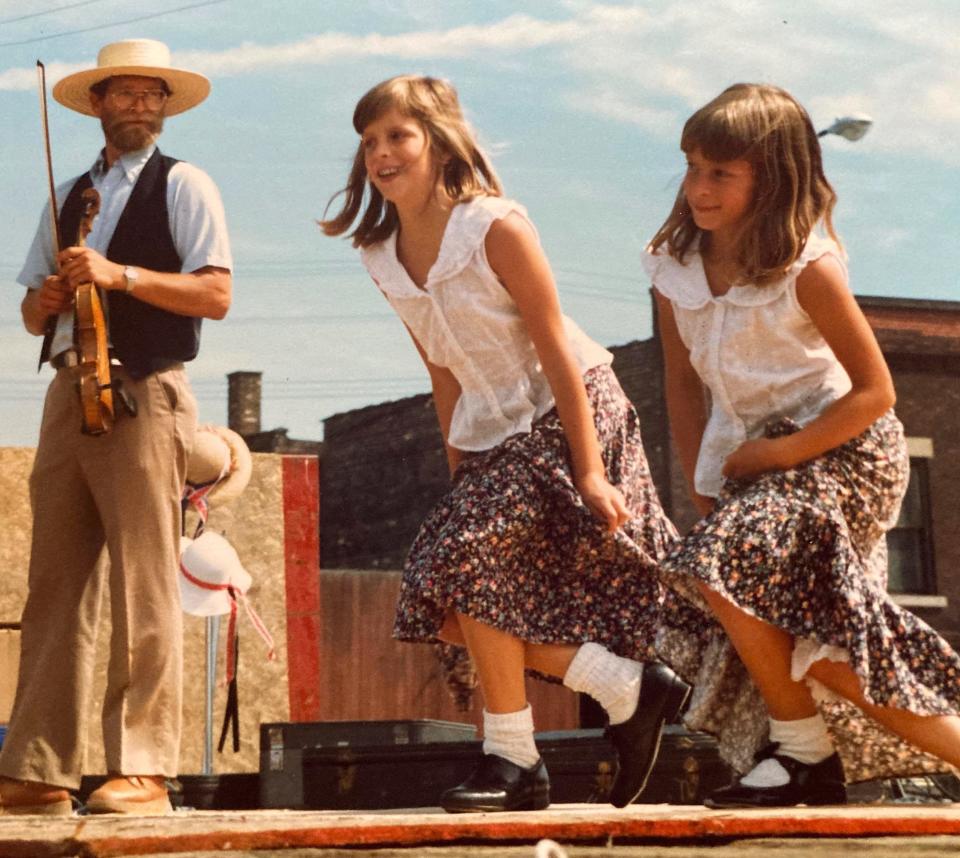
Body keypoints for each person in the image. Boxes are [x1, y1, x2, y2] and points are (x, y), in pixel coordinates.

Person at [322, 75, 689, 813]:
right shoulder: (382, 254)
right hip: (494, 438)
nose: (382, 153)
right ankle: (625, 687)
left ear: (438, 141)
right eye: (369, 142)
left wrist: (590, 469)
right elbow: (440, 365)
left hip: (569, 413)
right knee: (445, 604)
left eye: (398, 135)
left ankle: (514, 760)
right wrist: (462, 470)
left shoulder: (494, 225)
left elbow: (555, 345)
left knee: (463, 566)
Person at [645, 82, 960, 808]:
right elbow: (681, 385)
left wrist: (782, 455)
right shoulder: (674, 268)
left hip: (840, 448)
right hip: (758, 461)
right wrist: (701, 478)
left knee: (767, 593)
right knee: (752, 600)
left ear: (774, 175)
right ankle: (807, 756)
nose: (698, 187)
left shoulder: (807, 266)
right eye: (692, 166)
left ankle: (802, 753)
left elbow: (876, 391)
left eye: (720, 172)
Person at [0, 38, 231, 815]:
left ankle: (144, 766)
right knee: (55, 585)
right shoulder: (68, 195)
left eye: (151, 95)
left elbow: (214, 294)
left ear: (164, 105)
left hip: (144, 389)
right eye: (124, 95)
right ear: (98, 104)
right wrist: (51, 301)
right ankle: (38, 766)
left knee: (143, 582)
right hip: (69, 389)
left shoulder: (185, 183)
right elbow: (30, 303)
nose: (139, 107)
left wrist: (117, 274)